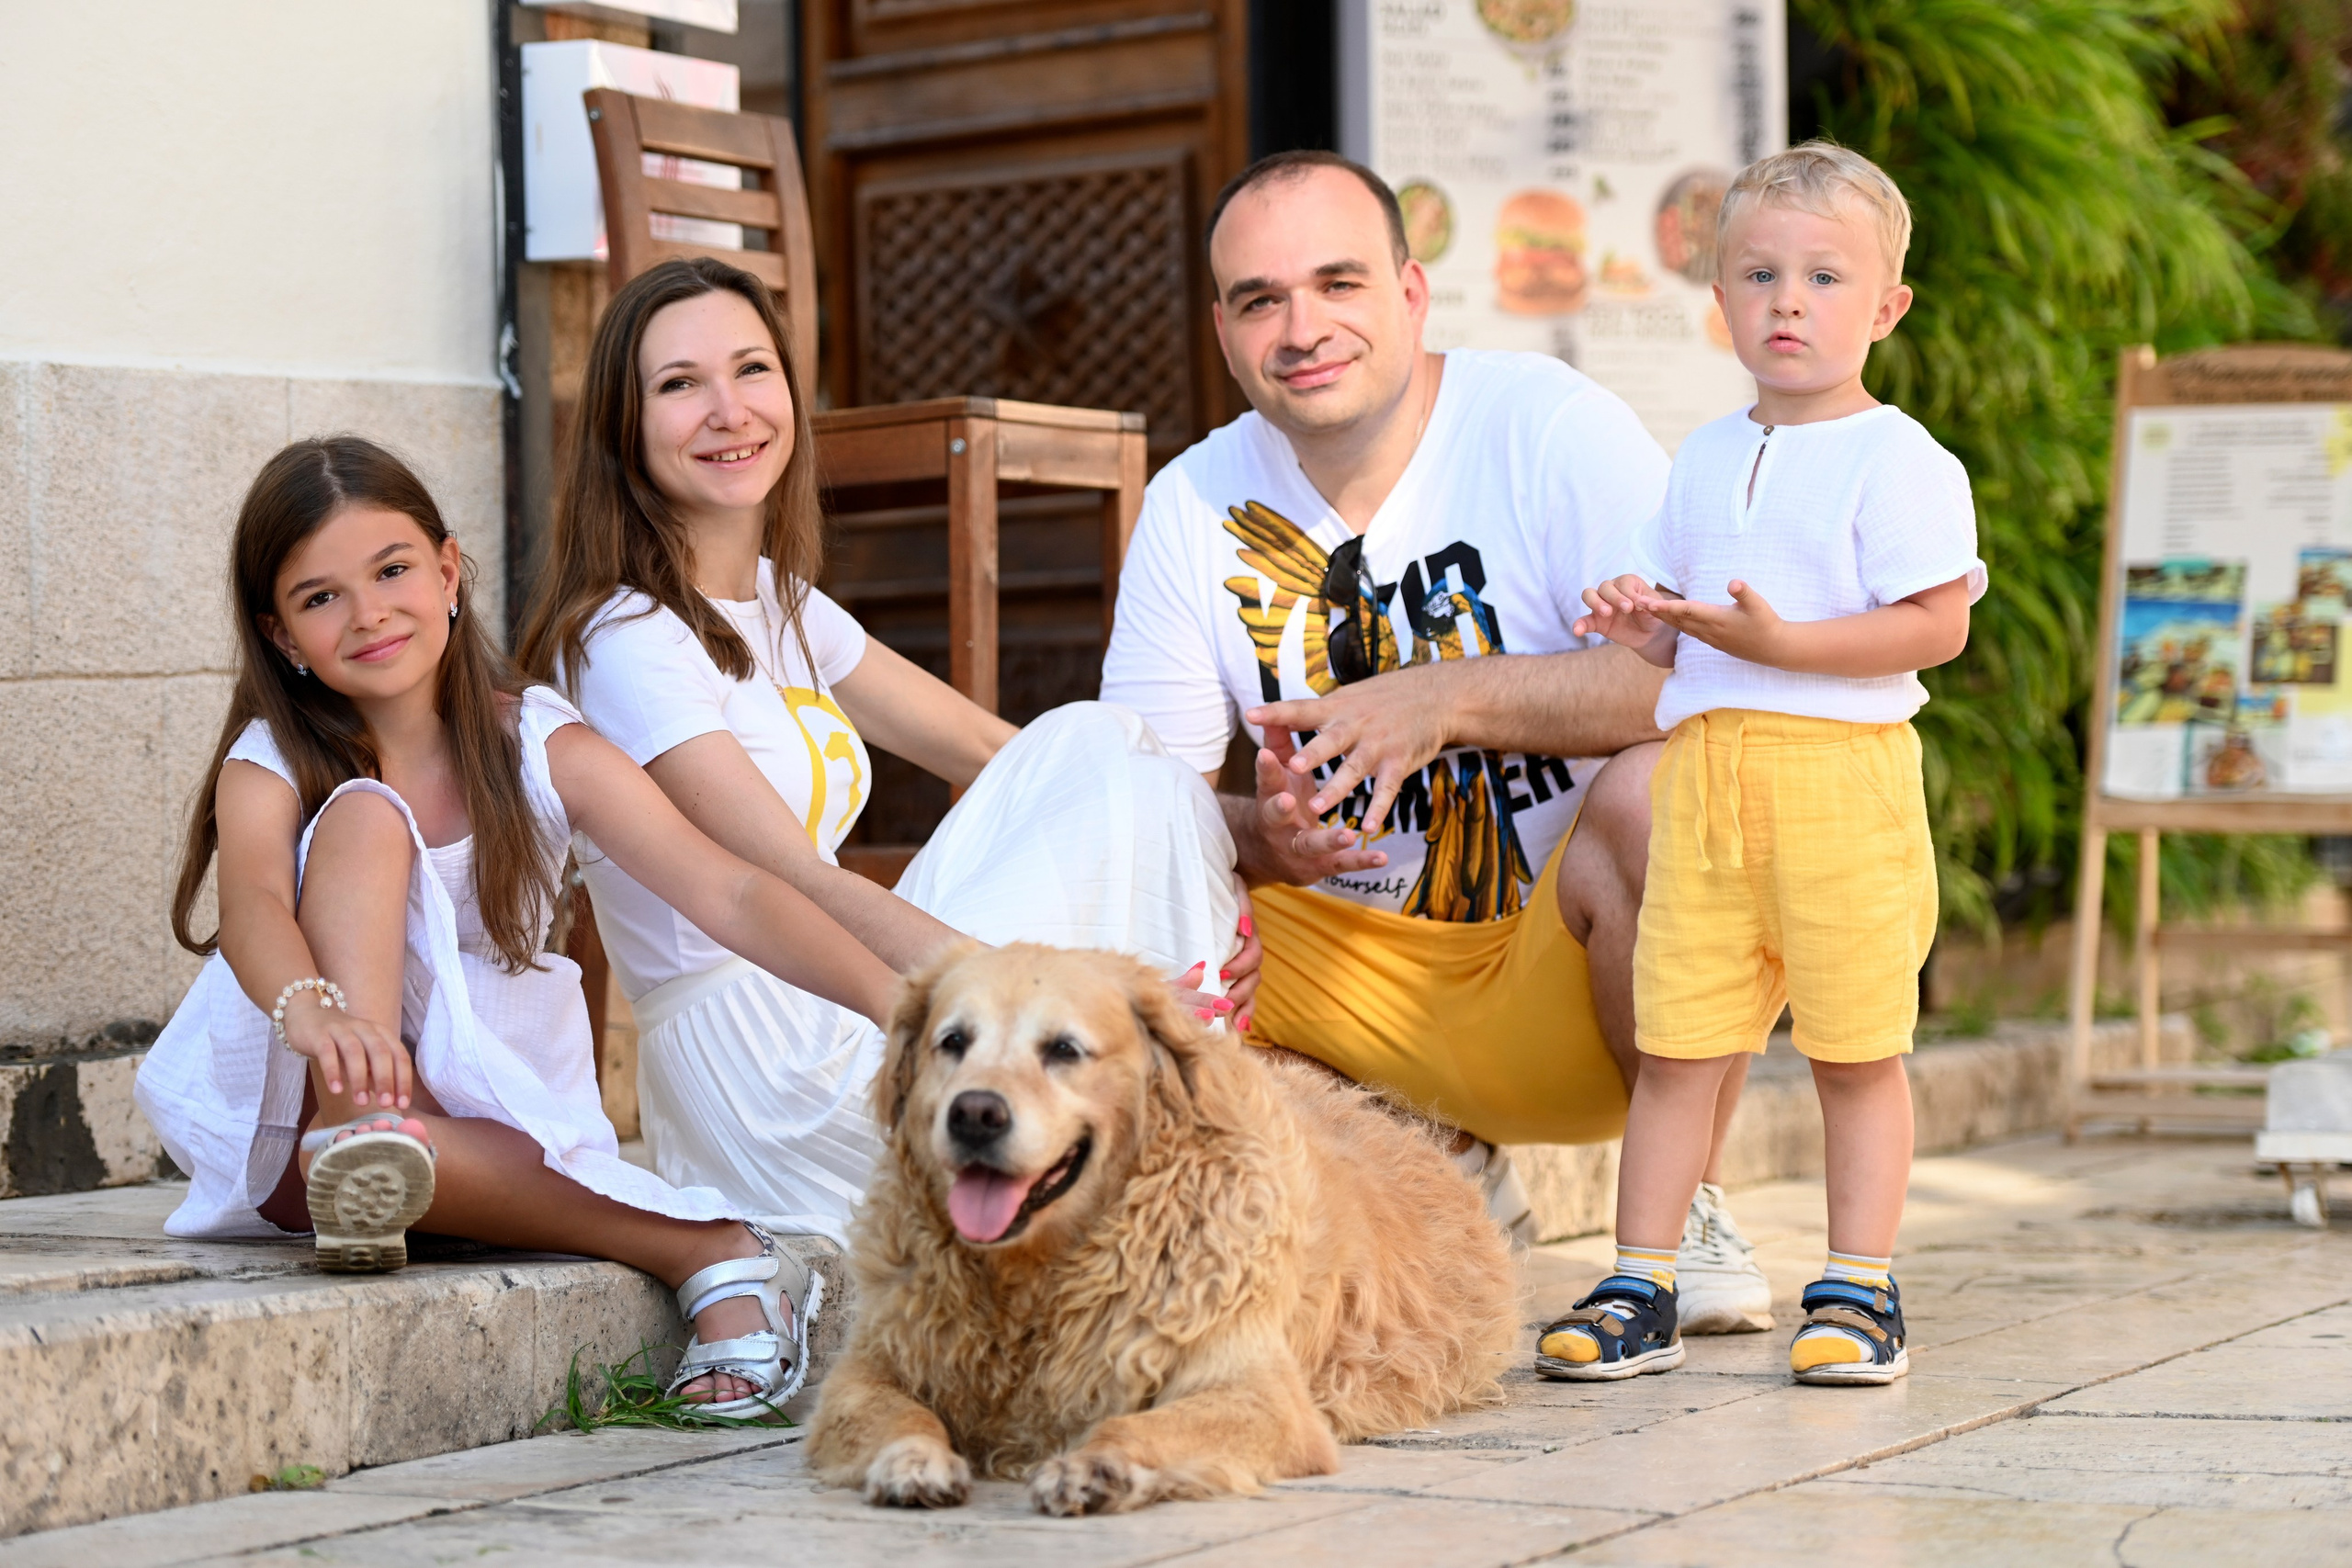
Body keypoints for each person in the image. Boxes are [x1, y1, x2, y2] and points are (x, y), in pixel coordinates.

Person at [1098, 150, 1770, 1328]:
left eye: (1338, 284)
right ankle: (1437, 1175)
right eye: (1260, 300)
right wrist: (1270, 836)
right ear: (1222, 328)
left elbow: (1687, 679)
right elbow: (1136, 799)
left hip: (1560, 973)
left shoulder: (1543, 426)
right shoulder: (1192, 503)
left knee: (1669, 792)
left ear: (1409, 293)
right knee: (1134, 896)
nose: (1301, 327)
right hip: (1340, 988)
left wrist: (1441, 700)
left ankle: (1689, 1214)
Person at [137, 436, 905, 1417]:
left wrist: (900, 1003)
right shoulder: (272, 755)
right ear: (282, 635)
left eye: (393, 571)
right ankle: (695, 1245)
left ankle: (395, 1161)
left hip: (477, 1103)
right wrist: (315, 1014)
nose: (369, 613)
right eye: (321, 598)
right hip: (309, 1094)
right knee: (367, 817)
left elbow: (731, 892)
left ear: (449, 570)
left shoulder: (538, 741)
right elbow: (249, 903)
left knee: (414, 1135)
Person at [517, 257, 1253, 1241]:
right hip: (766, 1062)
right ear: (624, 427)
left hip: (836, 1002)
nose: (729, 410)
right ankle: (1185, 1102)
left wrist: (1212, 860)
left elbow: (1019, 761)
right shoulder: (624, 638)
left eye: (751, 370)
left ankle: (1179, 1071)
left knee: (1110, 743)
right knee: (1101, 743)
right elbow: (783, 879)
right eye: (680, 385)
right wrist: (1031, 992)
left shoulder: (779, 604)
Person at [1544, 142, 1980, 1386]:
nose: (1791, 300)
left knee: (1855, 1048)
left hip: (1842, 782)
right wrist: (1633, 612)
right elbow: (1665, 610)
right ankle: (1644, 1273)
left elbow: (1936, 621)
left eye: (1827, 276)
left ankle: (1860, 1285)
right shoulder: (1695, 457)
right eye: (1761, 274)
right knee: (1681, 1043)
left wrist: (1785, 643)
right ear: (1720, 300)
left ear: (1886, 306)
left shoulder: (1901, 459)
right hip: (1706, 785)